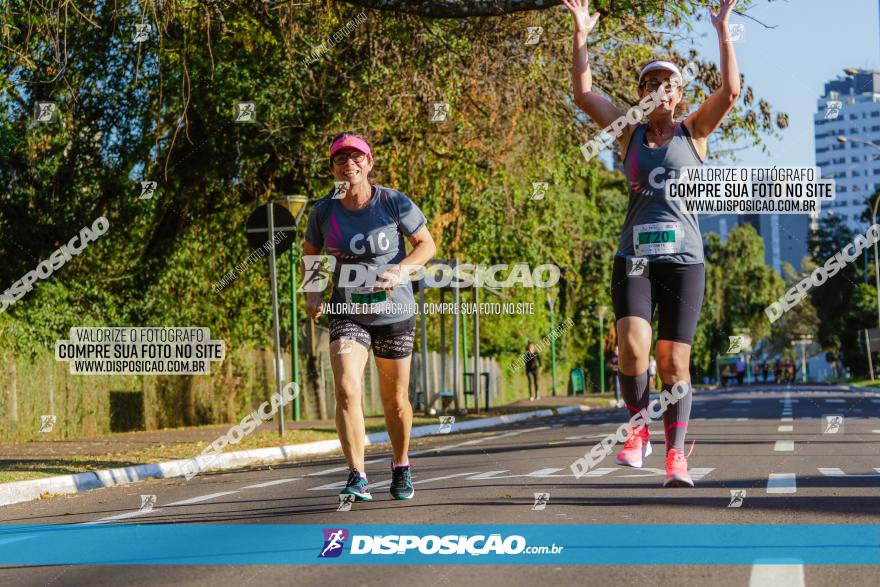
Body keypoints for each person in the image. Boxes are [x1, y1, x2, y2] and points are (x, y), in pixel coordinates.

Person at [564, 0, 740, 487]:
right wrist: (581, 35)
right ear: (640, 94)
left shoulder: (694, 132)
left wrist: (723, 29)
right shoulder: (628, 134)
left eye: (669, 84)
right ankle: (637, 431)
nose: (660, 90)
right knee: (633, 350)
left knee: (672, 360)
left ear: (680, 95)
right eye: (650, 84)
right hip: (635, 259)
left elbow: (730, 91)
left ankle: (676, 455)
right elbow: (583, 94)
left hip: (684, 262)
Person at [303, 132, 437, 502]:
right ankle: (357, 474)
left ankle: (401, 464)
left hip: (395, 311)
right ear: (333, 167)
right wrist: (312, 292)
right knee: (346, 388)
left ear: (369, 162)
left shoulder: (393, 202)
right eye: (341, 159)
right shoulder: (324, 210)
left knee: (395, 399)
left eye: (356, 157)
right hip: (348, 311)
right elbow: (311, 251)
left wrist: (400, 270)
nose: (350, 165)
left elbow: (427, 244)